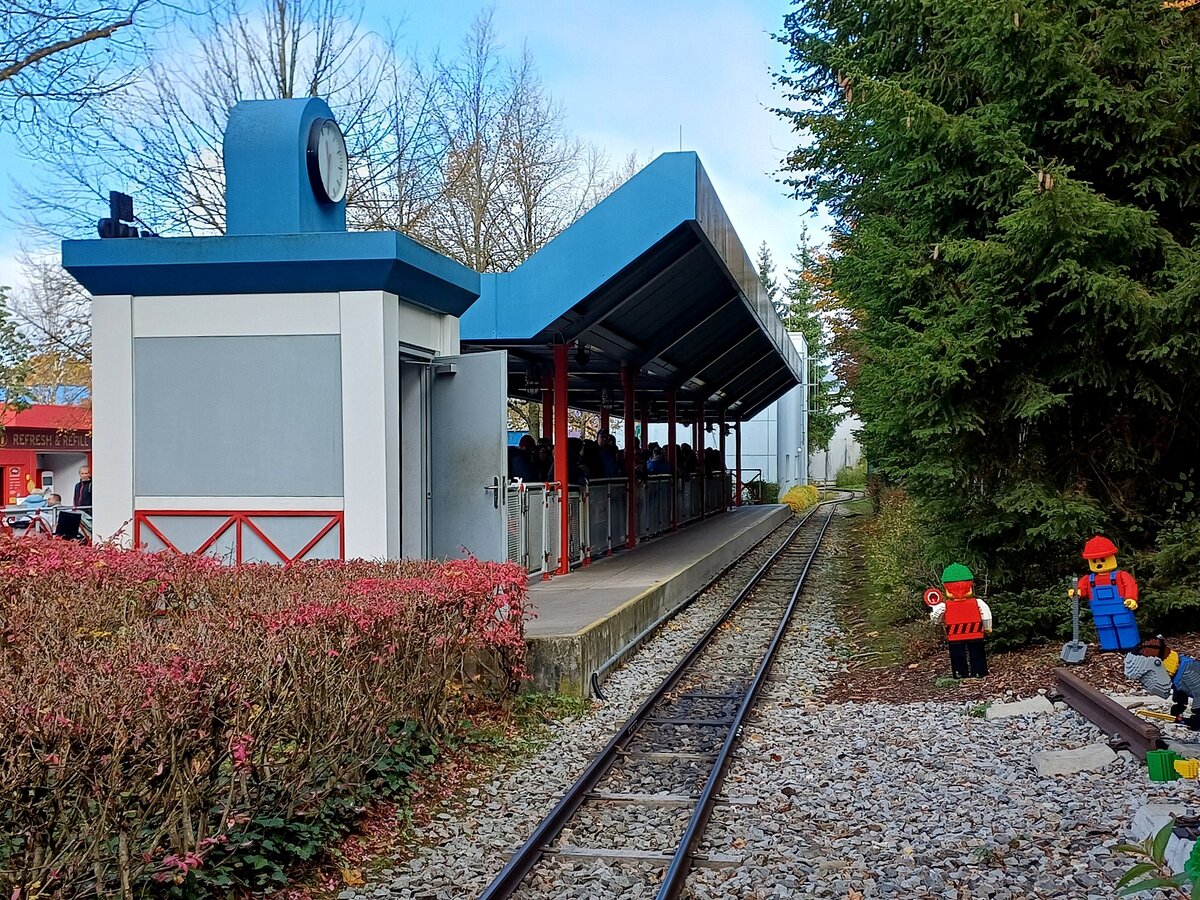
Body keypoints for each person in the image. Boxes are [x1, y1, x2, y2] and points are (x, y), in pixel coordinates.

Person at [1070, 535, 1139, 652]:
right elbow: (1082, 589)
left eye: (1102, 560)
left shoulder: (1120, 576)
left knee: (1123, 624)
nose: (1099, 564)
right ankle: (1109, 646)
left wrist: (1131, 598)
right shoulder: (1089, 579)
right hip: (1100, 611)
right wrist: (1077, 592)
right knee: (1104, 626)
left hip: (1120, 608)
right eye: (1095, 561)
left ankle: (1130, 645)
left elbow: (1130, 585)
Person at [927, 563, 993, 678]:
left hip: (955, 635)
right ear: (970, 587)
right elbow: (986, 615)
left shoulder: (945, 606)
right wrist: (987, 628)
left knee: (957, 655)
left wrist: (935, 619)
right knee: (977, 653)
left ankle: (960, 674)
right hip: (975, 633)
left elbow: (937, 617)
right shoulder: (978, 603)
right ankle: (979, 672)